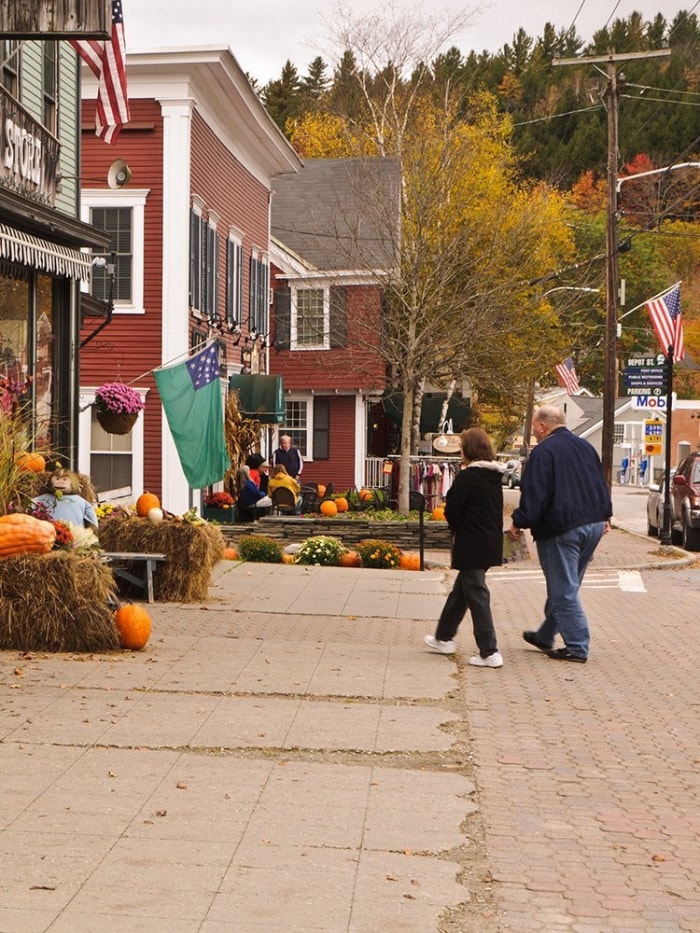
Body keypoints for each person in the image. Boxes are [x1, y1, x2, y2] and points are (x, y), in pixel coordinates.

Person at [506, 405, 612, 663]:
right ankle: (544, 635)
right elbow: (600, 481)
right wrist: (606, 515)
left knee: (563, 590)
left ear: (543, 426)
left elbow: (535, 493)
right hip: (593, 524)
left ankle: (577, 646)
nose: (534, 433)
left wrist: (519, 522)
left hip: (561, 528)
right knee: (568, 585)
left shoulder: (543, 452)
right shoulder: (585, 447)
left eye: (533, 428)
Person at [424, 427, 505, 668]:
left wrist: (458, 528)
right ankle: (444, 637)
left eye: (461, 447)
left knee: (477, 595)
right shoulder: (494, 476)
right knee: (461, 592)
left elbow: (452, 511)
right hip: (489, 541)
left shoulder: (468, 476)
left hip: (471, 542)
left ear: (468, 449)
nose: (459, 451)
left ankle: (489, 651)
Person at [32, 468, 98, 531]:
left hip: (75, 537)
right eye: (57, 479)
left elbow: (93, 525)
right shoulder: (41, 499)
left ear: (73, 482)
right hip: (45, 535)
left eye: (64, 479)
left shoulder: (82, 502)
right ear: (50, 481)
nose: (60, 482)